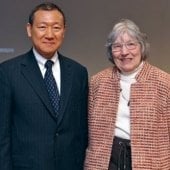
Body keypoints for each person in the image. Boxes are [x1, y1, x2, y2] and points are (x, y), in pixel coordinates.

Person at [0, 2, 88, 170]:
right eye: (42, 27)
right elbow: (2, 135)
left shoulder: (78, 73)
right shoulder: (8, 72)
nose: (49, 34)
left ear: (64, 31)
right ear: (29, 29)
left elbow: (81, 131)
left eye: (56, 27)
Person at [84, 19, 170, 170]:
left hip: (150, 163)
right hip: (105, 162)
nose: (124, 52)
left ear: (142, 47)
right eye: (117, 46)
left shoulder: (163, 83)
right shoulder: (98, 81)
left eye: (131, 44)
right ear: (111, 51)